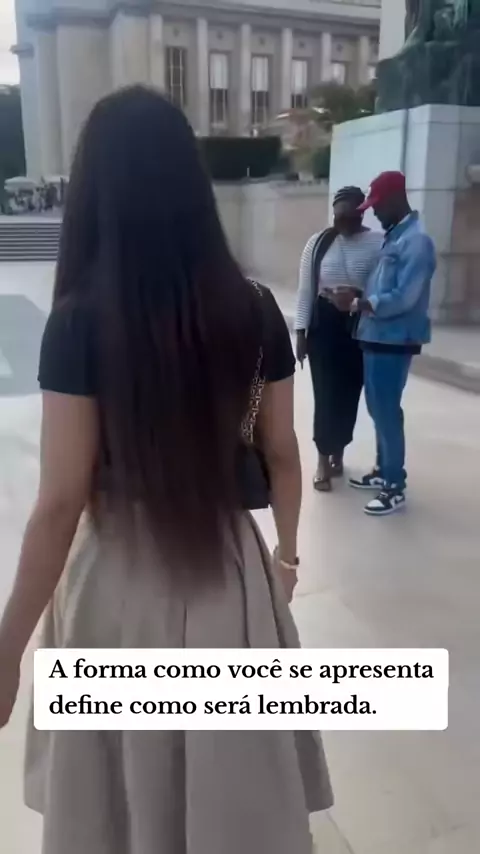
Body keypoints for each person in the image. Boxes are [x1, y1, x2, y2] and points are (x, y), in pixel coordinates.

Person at [0, 86, 332, 854]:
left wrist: (9, 645)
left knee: (118, 807)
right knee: (236, 793)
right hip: (231, 576)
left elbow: (59, 503)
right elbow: (284, 455)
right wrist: (285, 557)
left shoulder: (78, 322)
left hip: (113, 586)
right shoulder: (254, 309)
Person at [345, 171, 436, 516]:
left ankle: (394, 486)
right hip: (375, 336)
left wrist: (364, 304)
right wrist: (359, 296)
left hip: (395, 339)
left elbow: (406, 297)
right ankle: (384, 470)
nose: (375, 213)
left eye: (378, 206)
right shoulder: (395, 236)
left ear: (397, 199)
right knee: (377, 407)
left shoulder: (417, 242)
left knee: (386, 411)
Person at [295, 187, 383, 491]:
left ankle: (338, 451)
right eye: (337, 215)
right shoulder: (318, 243)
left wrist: (357, 297)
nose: (342, 221)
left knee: (349, 392)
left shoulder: (377, 243)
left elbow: (382, 287)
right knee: (325, 393)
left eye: (349, 215)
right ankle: (322, 459)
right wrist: (300, 333)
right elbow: (305, 290)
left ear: (362, 212)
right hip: (324, 325)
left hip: (359, 324)